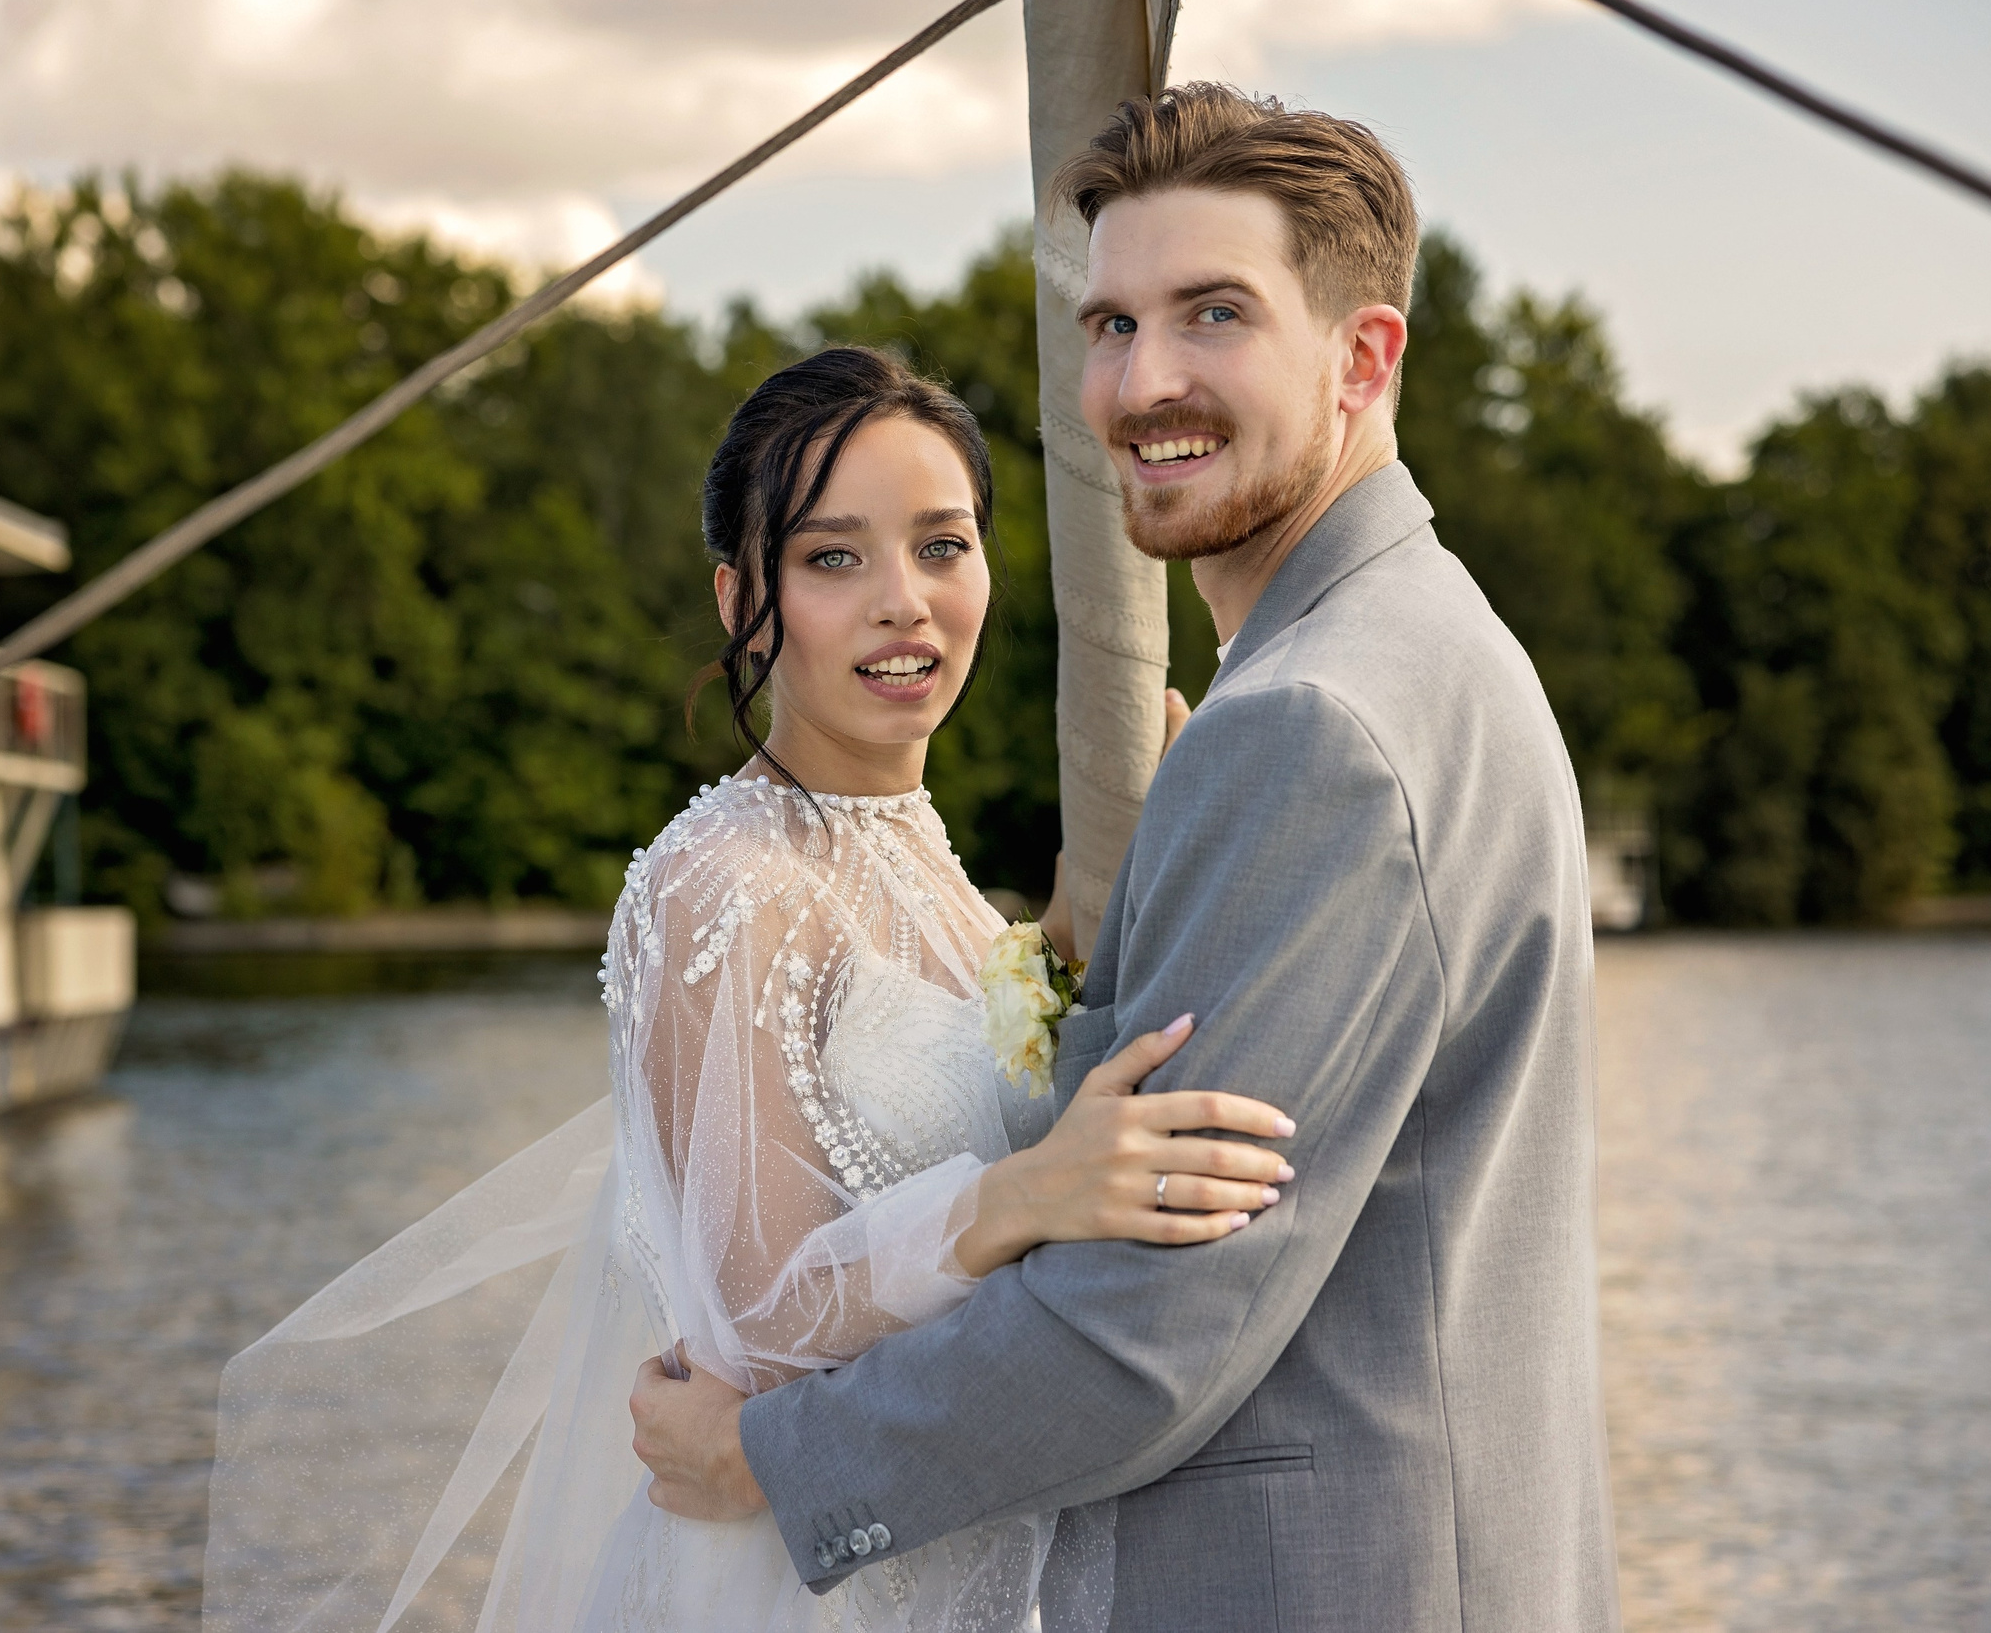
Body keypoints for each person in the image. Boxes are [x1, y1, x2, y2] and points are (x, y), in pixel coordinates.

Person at [629, 85, 1619, 1629]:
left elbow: (1148, 1332)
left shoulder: (1313, 726)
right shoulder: (1414, 653)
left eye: (1211, 316)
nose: (1142, 381)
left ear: (1363, 358)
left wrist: (774, 1456)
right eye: (1109, 325)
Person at [204, 344, 1295, 1633]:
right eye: (835, 559)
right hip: (797, 1583)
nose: (907, 603)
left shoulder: (925, 861)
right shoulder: (723, 885)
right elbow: (759, 1320)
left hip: (954, 1539)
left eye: (943, 546)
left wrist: (1113, 878)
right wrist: (1026, 1195)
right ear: (741, 598)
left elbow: (971, 1063)